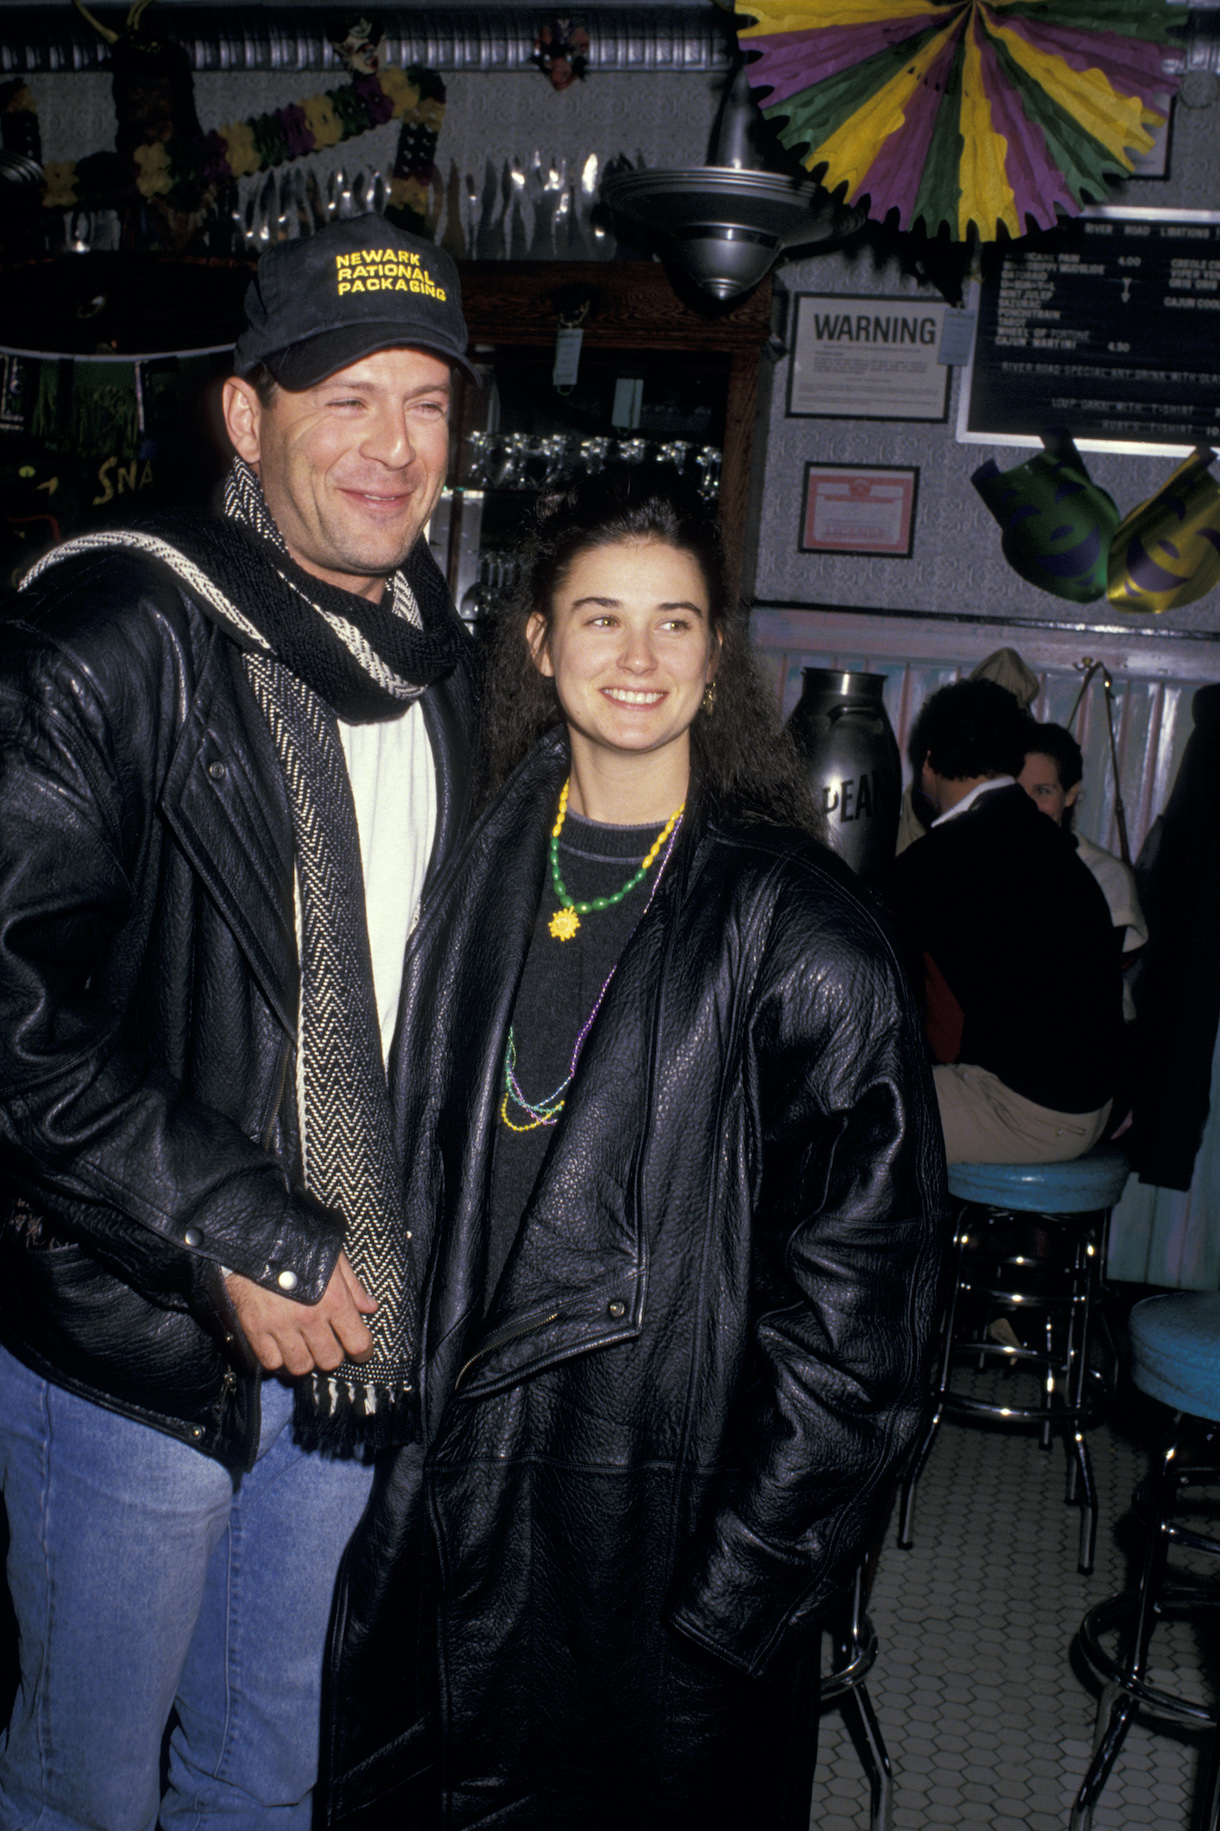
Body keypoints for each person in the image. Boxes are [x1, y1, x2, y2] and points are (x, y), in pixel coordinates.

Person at [321, 466, 946, 1831]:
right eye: (600, 618)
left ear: (718, 654)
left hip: (654, 1536)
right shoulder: (478, 858)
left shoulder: (807, 935)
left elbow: (863, 1323)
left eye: (675, 621)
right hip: (456, 1500)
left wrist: (740, 1588)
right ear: (540, 644)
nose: (639, 656)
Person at [0, 217, 477, 1829]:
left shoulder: (441, 665)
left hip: (359, 1332)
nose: (391, 446)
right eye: (343, 398)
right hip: (141, 1333)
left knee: (266, 1765)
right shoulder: (108, 633)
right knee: (89, 1784)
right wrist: (232, 1233)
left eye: (424, 401)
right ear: (244, 415)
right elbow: (13, 1012)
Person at [880, 679, 1124, 1165]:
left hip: (1033, 1113)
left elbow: (845, 938)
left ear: (928, 762)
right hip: (1086, 1099)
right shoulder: (1034, 833)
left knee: (819, 1112)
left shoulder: (952, 853)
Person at [1018, 721, 1148, 969]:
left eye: (1043, 791)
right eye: (1017, 791)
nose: (1027, 805)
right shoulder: (987, 862)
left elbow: (1099, 972)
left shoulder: (1105, 875)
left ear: (1070, 794)